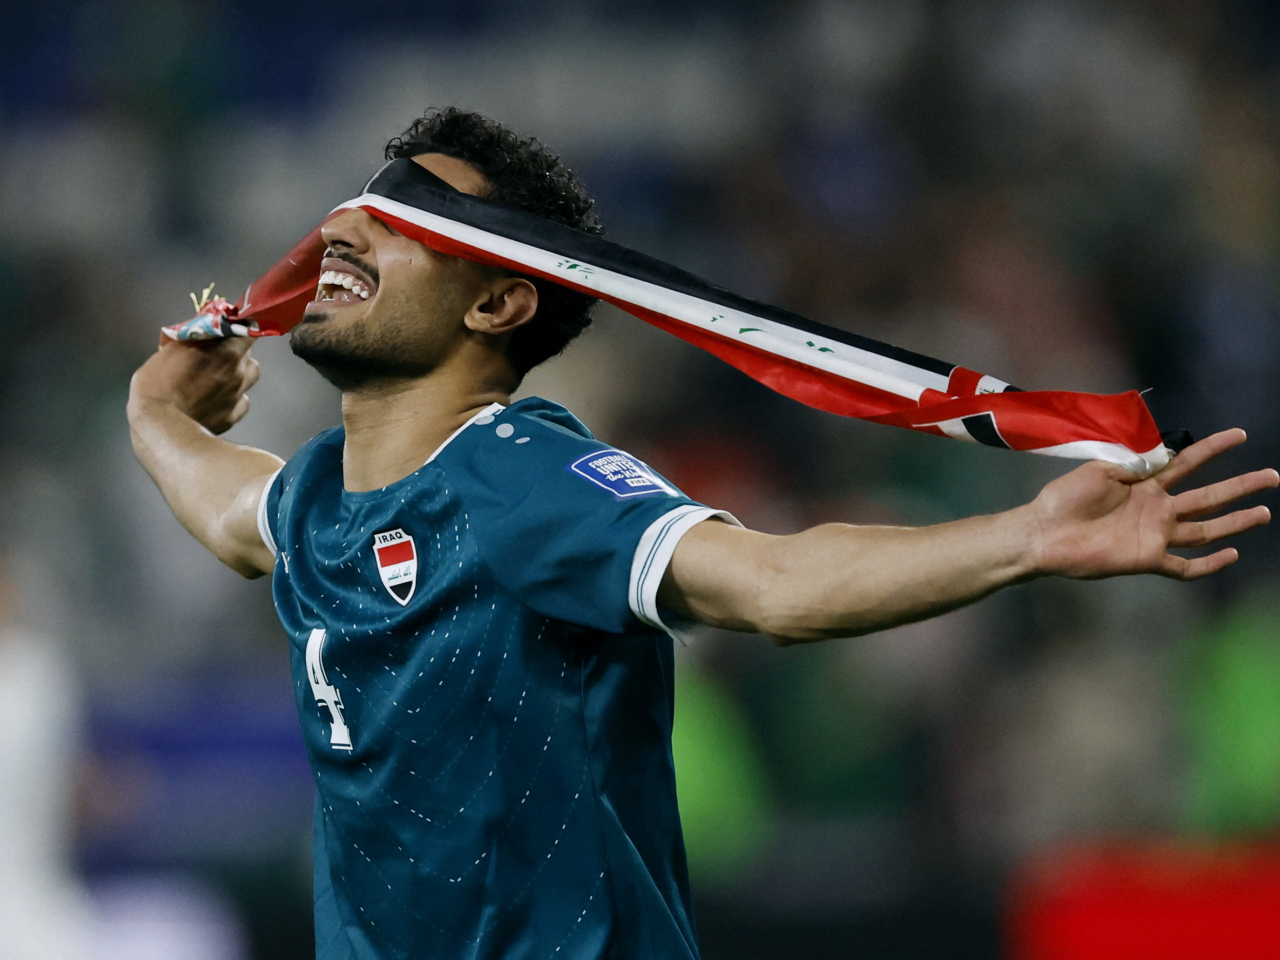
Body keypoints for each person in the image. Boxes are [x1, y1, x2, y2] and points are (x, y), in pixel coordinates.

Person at [127, 108, 1277, 960]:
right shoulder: (318, 498)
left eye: (402, 218)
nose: (340, 227)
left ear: (497, 301)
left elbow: (770, 582)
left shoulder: (522, 475)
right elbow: (229, 512)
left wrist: (1023, 537)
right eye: (354, 204)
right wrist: (152, 409)